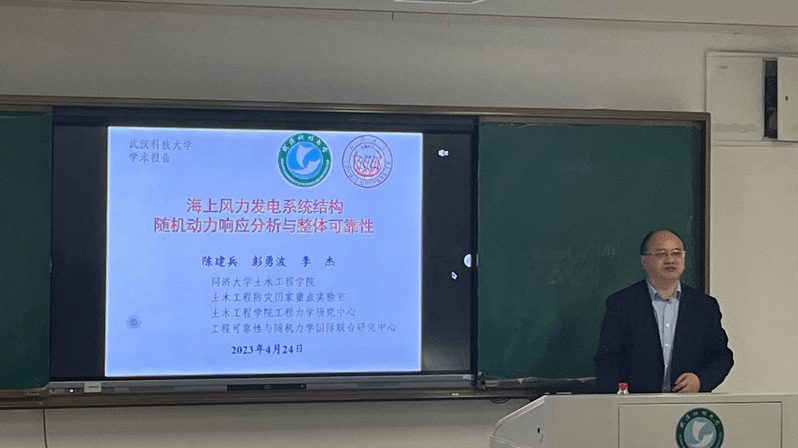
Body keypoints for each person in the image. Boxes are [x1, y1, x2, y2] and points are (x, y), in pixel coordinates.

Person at [594, 229, 733, 393]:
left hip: (687, 404)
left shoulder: (704, 306)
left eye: (677, 253)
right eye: (661, 254)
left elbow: (721, 357)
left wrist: (700, 380)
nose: (670, 260)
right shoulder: (622, 304)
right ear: (644, 261)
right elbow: (608, 359)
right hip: (636, 402)